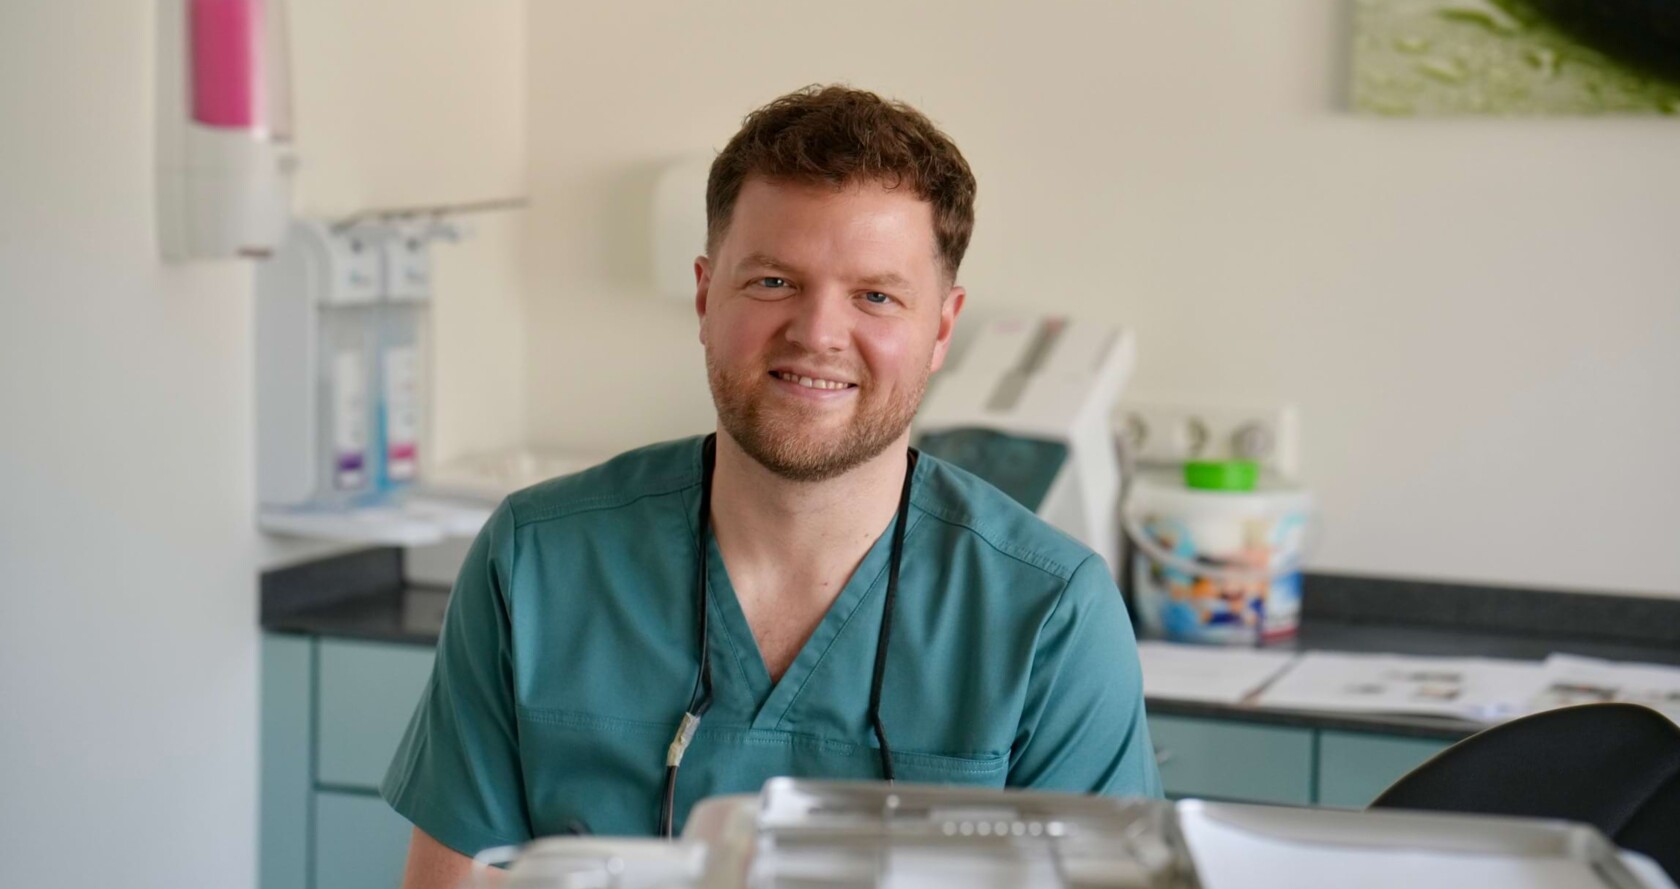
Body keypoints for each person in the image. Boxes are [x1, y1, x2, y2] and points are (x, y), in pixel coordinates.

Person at [383, 84, 1160, 887]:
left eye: (876, 296)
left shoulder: (1050, 614)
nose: (818, 333)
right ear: (704, 294)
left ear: (941, 328)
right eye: (773, 283)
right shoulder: (537, 562)